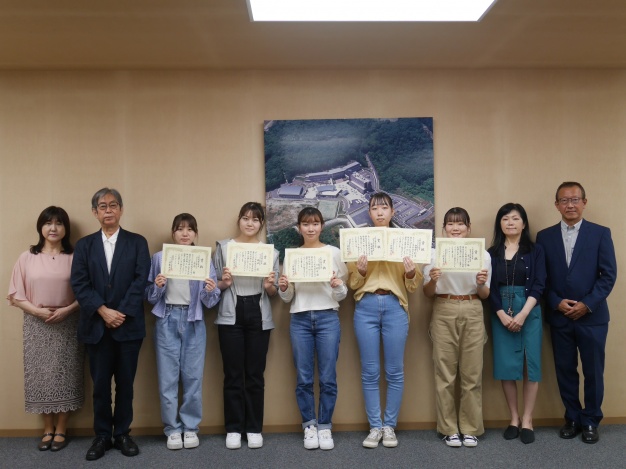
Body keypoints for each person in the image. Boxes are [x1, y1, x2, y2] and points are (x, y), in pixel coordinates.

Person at [70, 188, 150, 461]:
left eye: (113, 205)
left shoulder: (137, 242)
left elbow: (141, 280)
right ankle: (103, 435)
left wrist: (120, 313)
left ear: (121, 209)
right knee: (100, 386)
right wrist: (104, 311)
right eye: (102, 206)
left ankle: (123, 434)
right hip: (96, 326)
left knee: (126, 385)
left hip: (129, 327)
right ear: (95, 212)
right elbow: (79, 283)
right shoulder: (84, 245)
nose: (108, 210)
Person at [536, 182, 616, 444]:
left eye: (575, 199)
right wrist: (556, 302)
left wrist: (587, 304)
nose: (570, 205)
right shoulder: (544, 237)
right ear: (556, 205)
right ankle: (572, 417)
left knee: (593, 371)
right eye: (564, 200)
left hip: (592, 317)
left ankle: (591, 420)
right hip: (560, 316)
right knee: (565, 370)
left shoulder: (600, 233)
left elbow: (608, 275)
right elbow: (541, 278)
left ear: (584, 202)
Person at [347, 192, 422, 449]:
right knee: (370, 371)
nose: (379, 212)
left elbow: (413, 286)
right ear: (369, 212)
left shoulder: (405, 240)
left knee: (394, 371)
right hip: (365, 306)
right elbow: (352, 283)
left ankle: (389, 426)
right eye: (374, 208)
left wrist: (410, 274)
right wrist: (361, 272)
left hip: (395, 306)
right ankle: (374, 427)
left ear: (393, 212)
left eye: (384, 208)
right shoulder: (358, 241)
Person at [7, 206, 84, 453]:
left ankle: (61, 428)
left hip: (68, 322)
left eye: (59, 223)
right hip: (36, 324)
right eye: (48, 223)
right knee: (40, 376)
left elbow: (86, 293)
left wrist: (67, 310)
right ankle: (47, 428)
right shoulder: (26, 257)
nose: (53, 228)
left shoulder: (75, 257)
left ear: (65, 228)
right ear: (40, 227)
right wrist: (37, 312)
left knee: (66, 375)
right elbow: (15, 295)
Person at [145, 213, 221, 450]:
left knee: (193, 378)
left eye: (189, 229)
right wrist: (157, 286)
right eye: (179, 229)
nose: (185, 233)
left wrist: (210, 289)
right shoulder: (159, 258)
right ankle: (172, 429)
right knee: (167, 378)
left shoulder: (203, 259)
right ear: (173, 233)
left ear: (196, 233)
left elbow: (211, 301)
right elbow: (149, 296)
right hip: (167, 318)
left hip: (193, 320)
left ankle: (190, 428)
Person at [278, 207, 348, 450]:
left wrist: (337, 285)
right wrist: (284, 287)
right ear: (299, 228)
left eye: (315, 223)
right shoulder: (292, 256)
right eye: (306, 224)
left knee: (328, 377)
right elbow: (287, 297)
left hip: (328, 317)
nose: (310, 228)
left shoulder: (334, 253)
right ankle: (309, 425)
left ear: (322, 226)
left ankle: (325, 426)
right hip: (300, 319)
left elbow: (341, 294)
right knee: (304, 377)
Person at [422, 207, 491, 448]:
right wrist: (433, 280)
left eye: (460, 223)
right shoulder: (434, 254)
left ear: (468, 228)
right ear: (443, 228)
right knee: (445, 374)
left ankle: (470, 428)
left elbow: (485, 294)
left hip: (472, 307)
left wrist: (480, 283)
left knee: (472, 373)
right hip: (444, 307)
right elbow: (427, 293)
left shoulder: (482, 254)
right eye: (450, 224)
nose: (455, 228)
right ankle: (448, 429)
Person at [214, 202, 279, 450]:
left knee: (254, 374)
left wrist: (269, 287)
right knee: (232, 374)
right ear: (239, 220)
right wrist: (224, 283)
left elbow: (273, 292)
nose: (250, 223)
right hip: (230, 311)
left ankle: (253, 428)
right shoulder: (223, 247)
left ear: (261, 224)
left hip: (258, 311)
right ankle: (233, 428)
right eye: (245, 218)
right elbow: (213, 284)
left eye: (255, 219)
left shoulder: (270, 252)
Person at [488, 203, 545, 445]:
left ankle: (528, 419)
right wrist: (501, 314)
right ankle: (514, 418)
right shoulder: (491, 253)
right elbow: (489, 288)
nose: (510, 223)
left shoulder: (536, 250)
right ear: (499, 224)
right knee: (507, 365)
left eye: (515, 218)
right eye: (505, 219)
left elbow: (540, 283)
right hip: (500, 310)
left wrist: (523, 314)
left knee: (530, 365)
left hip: (530, 309)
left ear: (524, 223)